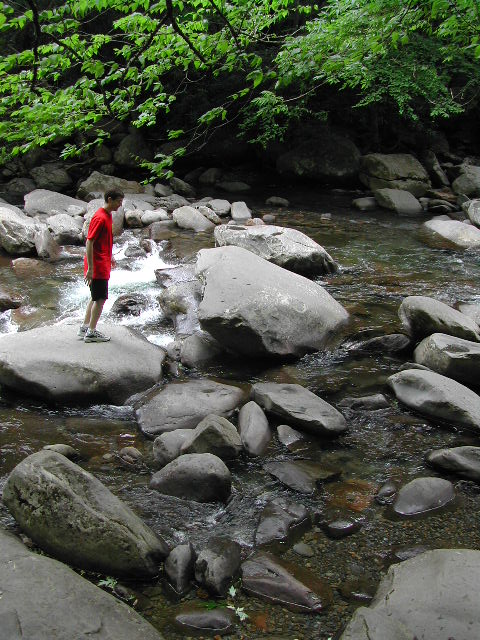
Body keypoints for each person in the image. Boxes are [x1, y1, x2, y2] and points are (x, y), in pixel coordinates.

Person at [77, 189, 124, 343]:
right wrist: (90, 269)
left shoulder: (108, 215)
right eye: (118, 201)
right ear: (110, 200)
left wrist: (111, 256)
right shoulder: (100, 218)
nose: (120, 205)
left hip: (101, 261)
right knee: (101, 298)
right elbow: (89, 241)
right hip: (96, 265)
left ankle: (85, 327)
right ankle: (91, 332)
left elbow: (105, 239)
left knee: (95, 296)